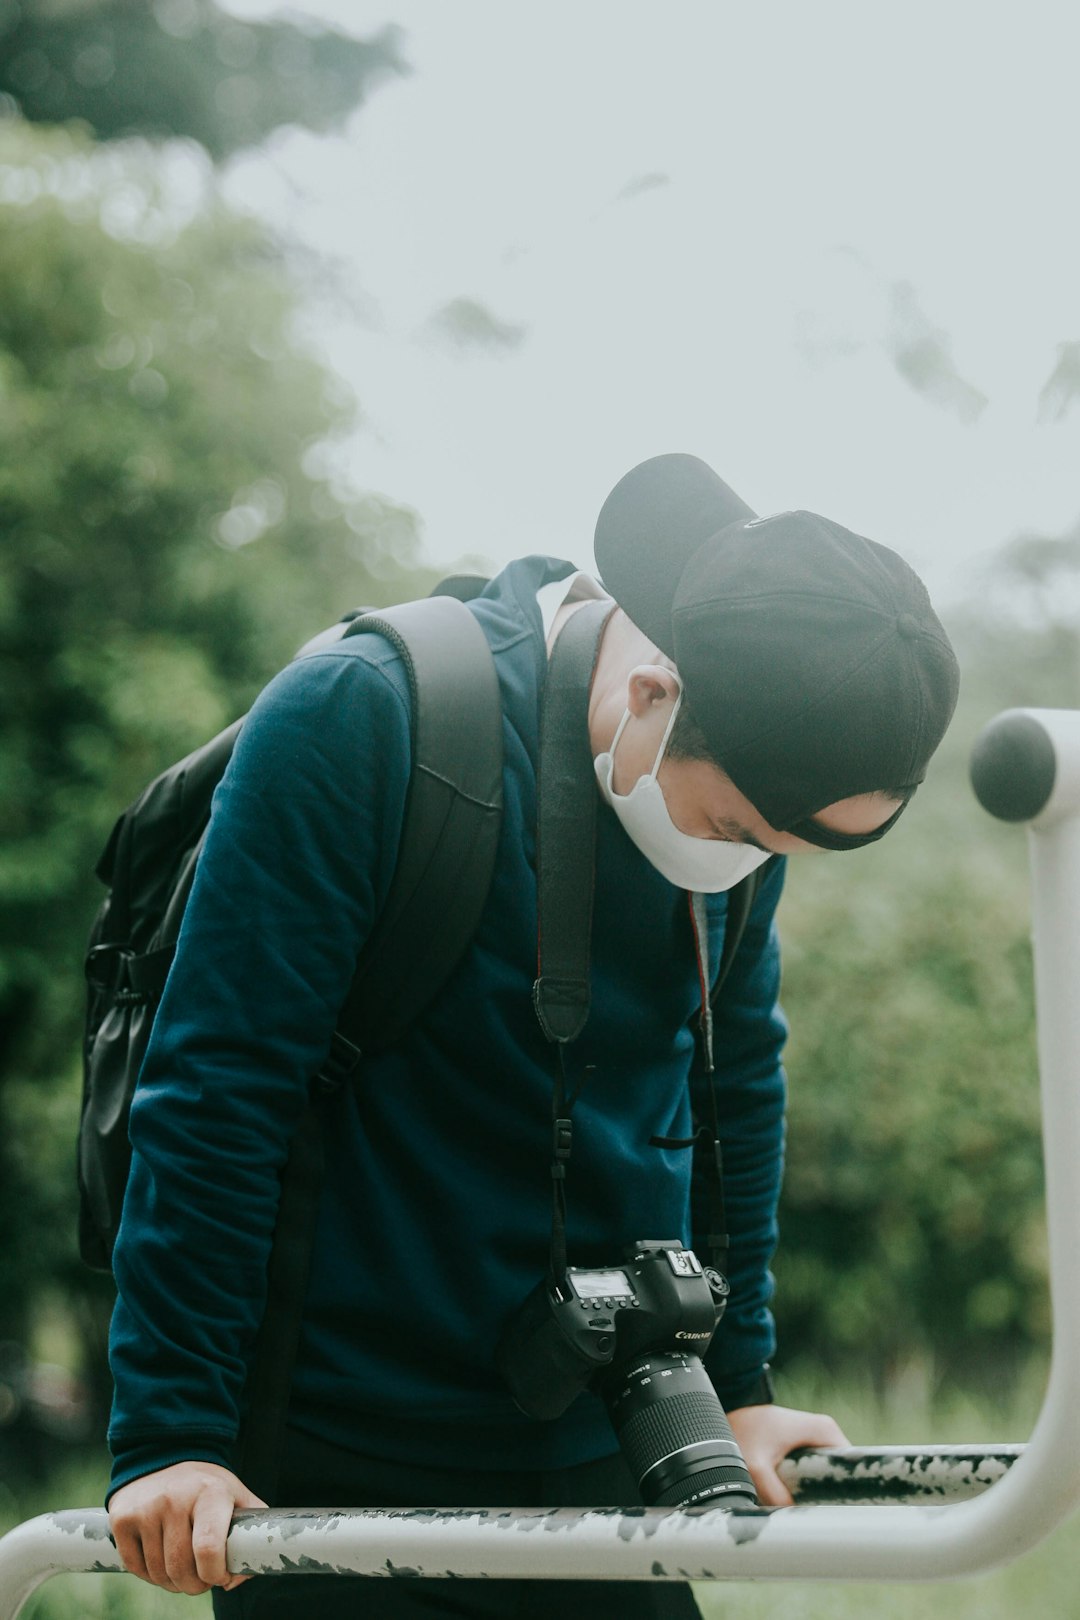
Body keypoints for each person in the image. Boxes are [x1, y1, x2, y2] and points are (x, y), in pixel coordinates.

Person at [106, 453, 960, 1617]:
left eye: (781, 849)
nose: (745, 863)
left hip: (613, 1449)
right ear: (656, 689)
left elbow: (737, 1085)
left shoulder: (744, 810)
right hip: (331, 1474)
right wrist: (172, 1433)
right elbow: (217, 1085)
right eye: (736, 825)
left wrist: (743, 1384)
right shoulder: (367, 715)